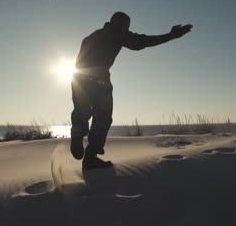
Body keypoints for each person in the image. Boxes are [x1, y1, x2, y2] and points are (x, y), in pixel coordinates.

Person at [71, 11, 192, 170]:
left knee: (82, 111)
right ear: (121, 25)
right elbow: (143, 41)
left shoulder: (91, 36)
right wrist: (171, 35)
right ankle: (90, 158)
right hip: (100, 82)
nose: (128, 30)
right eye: (127, 27)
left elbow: (79, 62)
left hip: (78, 79)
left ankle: (78, 132)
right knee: (103, 118)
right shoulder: (118, 34)